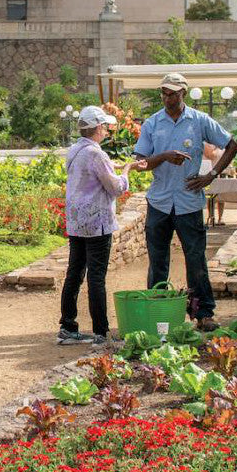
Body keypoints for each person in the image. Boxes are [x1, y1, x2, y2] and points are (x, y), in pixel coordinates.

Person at [132, 73, 237, 332]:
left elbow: (232, 144)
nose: (168, 98)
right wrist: (164, 156)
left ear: (184, 94)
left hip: (189, 202)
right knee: (158, 260)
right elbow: (141, 164)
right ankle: (158, 313)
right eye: (164, 93)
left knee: (195, 258)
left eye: (173, 93)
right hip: (159, 201)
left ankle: (203, 312)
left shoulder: (199, 121)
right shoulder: (152, 124)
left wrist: (210, 176)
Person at [57, 106, 145, 346]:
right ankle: (100, 332)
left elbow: (93, 171)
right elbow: (116, 188)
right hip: (96, 223)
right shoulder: (97, 155)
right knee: (97, 276)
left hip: (77, 222)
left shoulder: (76, 150)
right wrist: (127, 169)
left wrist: (114, 166)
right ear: (97, 128)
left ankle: (67, 326)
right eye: (105, 126)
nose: (107, 130)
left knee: (75, 273)